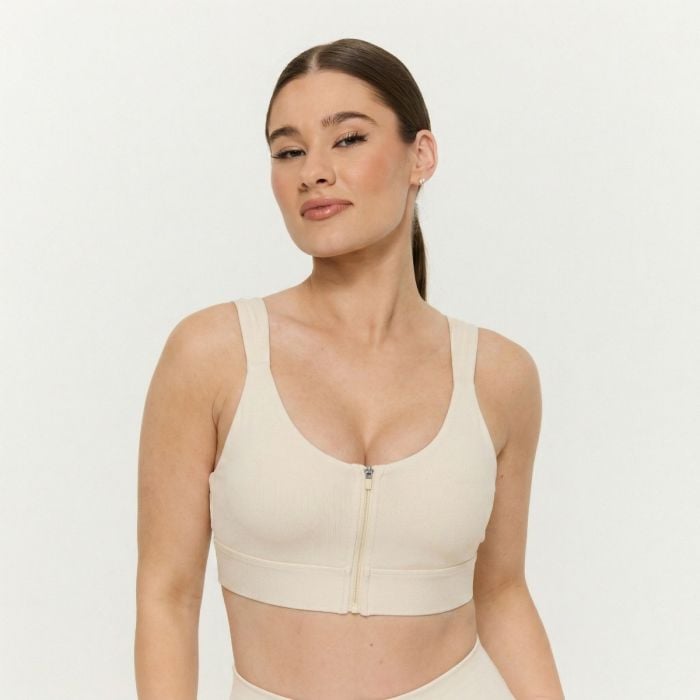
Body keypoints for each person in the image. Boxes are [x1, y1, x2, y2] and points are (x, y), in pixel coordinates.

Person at [135, 37, 564, 700]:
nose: (313, 172)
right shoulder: (213, 355)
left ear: (421, 156)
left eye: (348, 139)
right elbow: (166, 595)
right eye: (288, 151)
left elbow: (502, 593)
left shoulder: (500, 376)